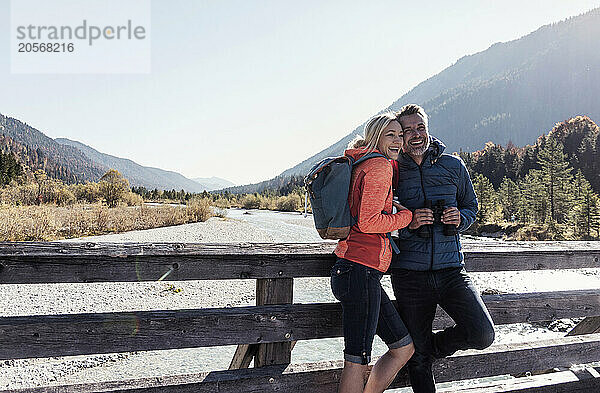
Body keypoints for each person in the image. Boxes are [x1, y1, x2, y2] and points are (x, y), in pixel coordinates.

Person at [389, 104, 495, 393]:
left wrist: (460, 219)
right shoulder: (392, 170)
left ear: (428, 127)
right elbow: (375, 220)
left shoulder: (453, 165)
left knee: (482, 333)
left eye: (419, 127)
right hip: (409, 275)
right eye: (407, 130)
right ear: (400, 135)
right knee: (418, 362)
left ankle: (430, 346)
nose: (415, 135)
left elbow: (471, 207)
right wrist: (408, 221)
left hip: (451, 271)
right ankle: (422, 350)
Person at [331, 112, 415, 393]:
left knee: (403, 348)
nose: (397, 140)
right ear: (376, 136)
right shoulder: (380, 166)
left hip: (355, 270)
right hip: (359, 269)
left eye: (399, 135)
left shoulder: (361, 162)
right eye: (390, 134)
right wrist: (406, 218)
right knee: (357, 361)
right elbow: (368, 222)